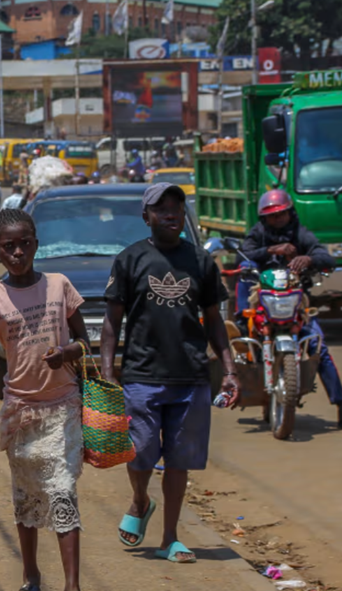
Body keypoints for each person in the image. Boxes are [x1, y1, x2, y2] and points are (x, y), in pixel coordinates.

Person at [101, 183, 240, 564]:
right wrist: (108, 373)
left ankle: (170, 537)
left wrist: (229, 370)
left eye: (177, 207)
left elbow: (214, 322)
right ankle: (141, 500)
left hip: (191, 377)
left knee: (179, 461)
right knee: (140, 453)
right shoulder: (129, 260)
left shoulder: (201, 262)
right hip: (141, 376)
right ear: (145, 216)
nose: (170, 213)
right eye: (160, 208)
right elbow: (112, 324)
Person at [0, 208, 88, 591]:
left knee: (62, 489)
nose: (17, 253)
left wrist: (67, 353)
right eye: (8, 246)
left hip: (63, 408)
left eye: (23, 244)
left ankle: (72, 585)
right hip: (20, 413)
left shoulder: (60, 285)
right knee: (27, 496)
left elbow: (85, 342)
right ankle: (31, 574)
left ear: (35, 245)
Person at [237, 190, 341, 418]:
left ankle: (339, 402)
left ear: (290, 213)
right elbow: (243, 254)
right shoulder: (258, 233)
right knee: (243, 279)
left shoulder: (301, 234)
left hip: (294, 304)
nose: (278, 219)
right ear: (264, 219)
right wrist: (271, 250)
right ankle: (240, 321)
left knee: (319, 347)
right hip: (262, 300)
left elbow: (327, 258)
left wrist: (309, 259)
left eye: (282, 215)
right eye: (272, 216)